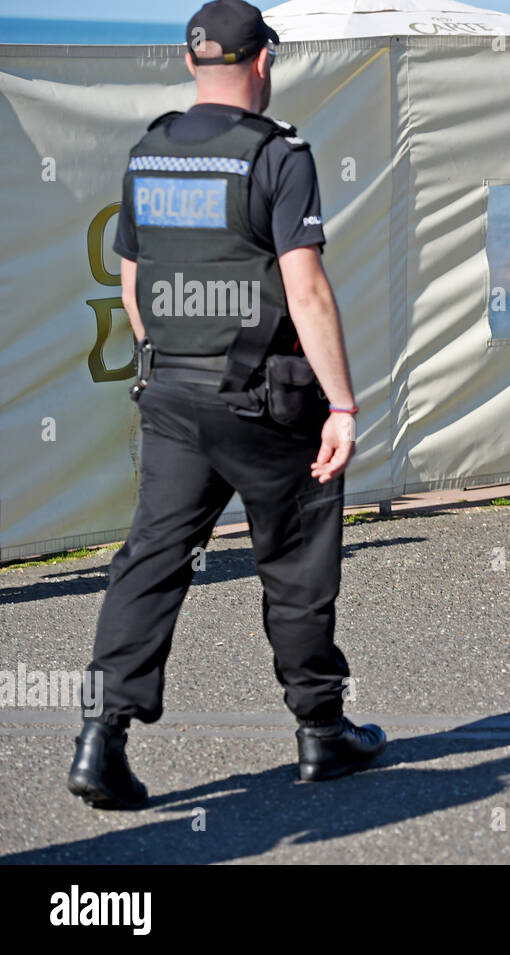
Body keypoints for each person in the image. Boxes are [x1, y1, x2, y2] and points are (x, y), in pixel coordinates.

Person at [67, 0, 385, 810]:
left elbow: (133, 285)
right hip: (267, 397)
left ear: (190, 63)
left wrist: (173, 357)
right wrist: (342, 403)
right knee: (297, 558)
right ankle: (321, 731)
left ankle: (101, 739)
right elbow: (306, 288)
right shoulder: (279, 156)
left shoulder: (149, 153)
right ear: (263, 62)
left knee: (152, 557)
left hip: (172, 389)